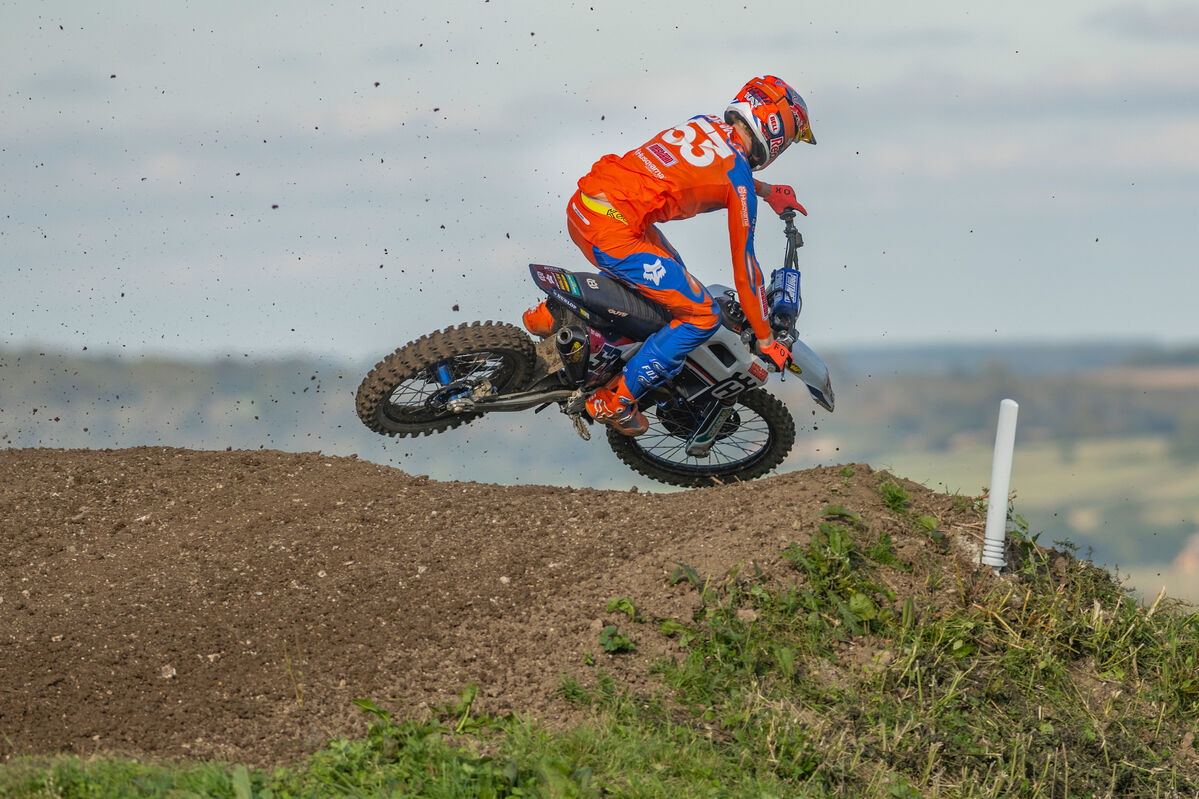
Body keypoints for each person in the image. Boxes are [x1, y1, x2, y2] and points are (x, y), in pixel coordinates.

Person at [523, 75, 815, 436]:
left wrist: (767, 191)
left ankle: (555, 318)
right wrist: (767, 340)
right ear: (775, 129)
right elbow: (745, 267)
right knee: (701, 314)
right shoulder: (738, 181)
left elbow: (708, 167)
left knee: (673, 278)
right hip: (612, 228)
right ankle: (616, 400)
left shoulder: (702, 124)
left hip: (589, 202)